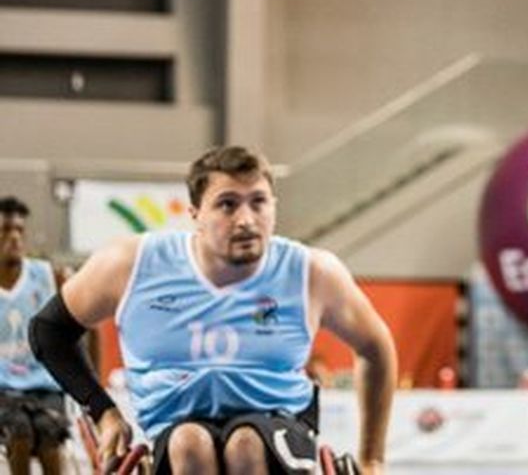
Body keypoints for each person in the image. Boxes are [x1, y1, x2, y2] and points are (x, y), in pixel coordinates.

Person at [28, 147, 398, 475]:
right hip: (175, 427)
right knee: (190, 444)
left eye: (258, 202)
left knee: (246, 446)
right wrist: (104, 412)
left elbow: (376, 347)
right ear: (195, 215)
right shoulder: (131, 263)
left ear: (274, 206)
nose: (246, 219)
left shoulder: (312, 271)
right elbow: (49, 330)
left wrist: (372, 460)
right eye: (227, 204)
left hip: (279, 421)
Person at [0, 198, 69, 475]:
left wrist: (92, 379)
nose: (15, 237)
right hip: (3, 389)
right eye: (5, 230)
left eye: (19, 230)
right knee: (20, 434)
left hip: (44, 386)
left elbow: (88, 327)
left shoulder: (49, 275)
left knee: (49, 435)